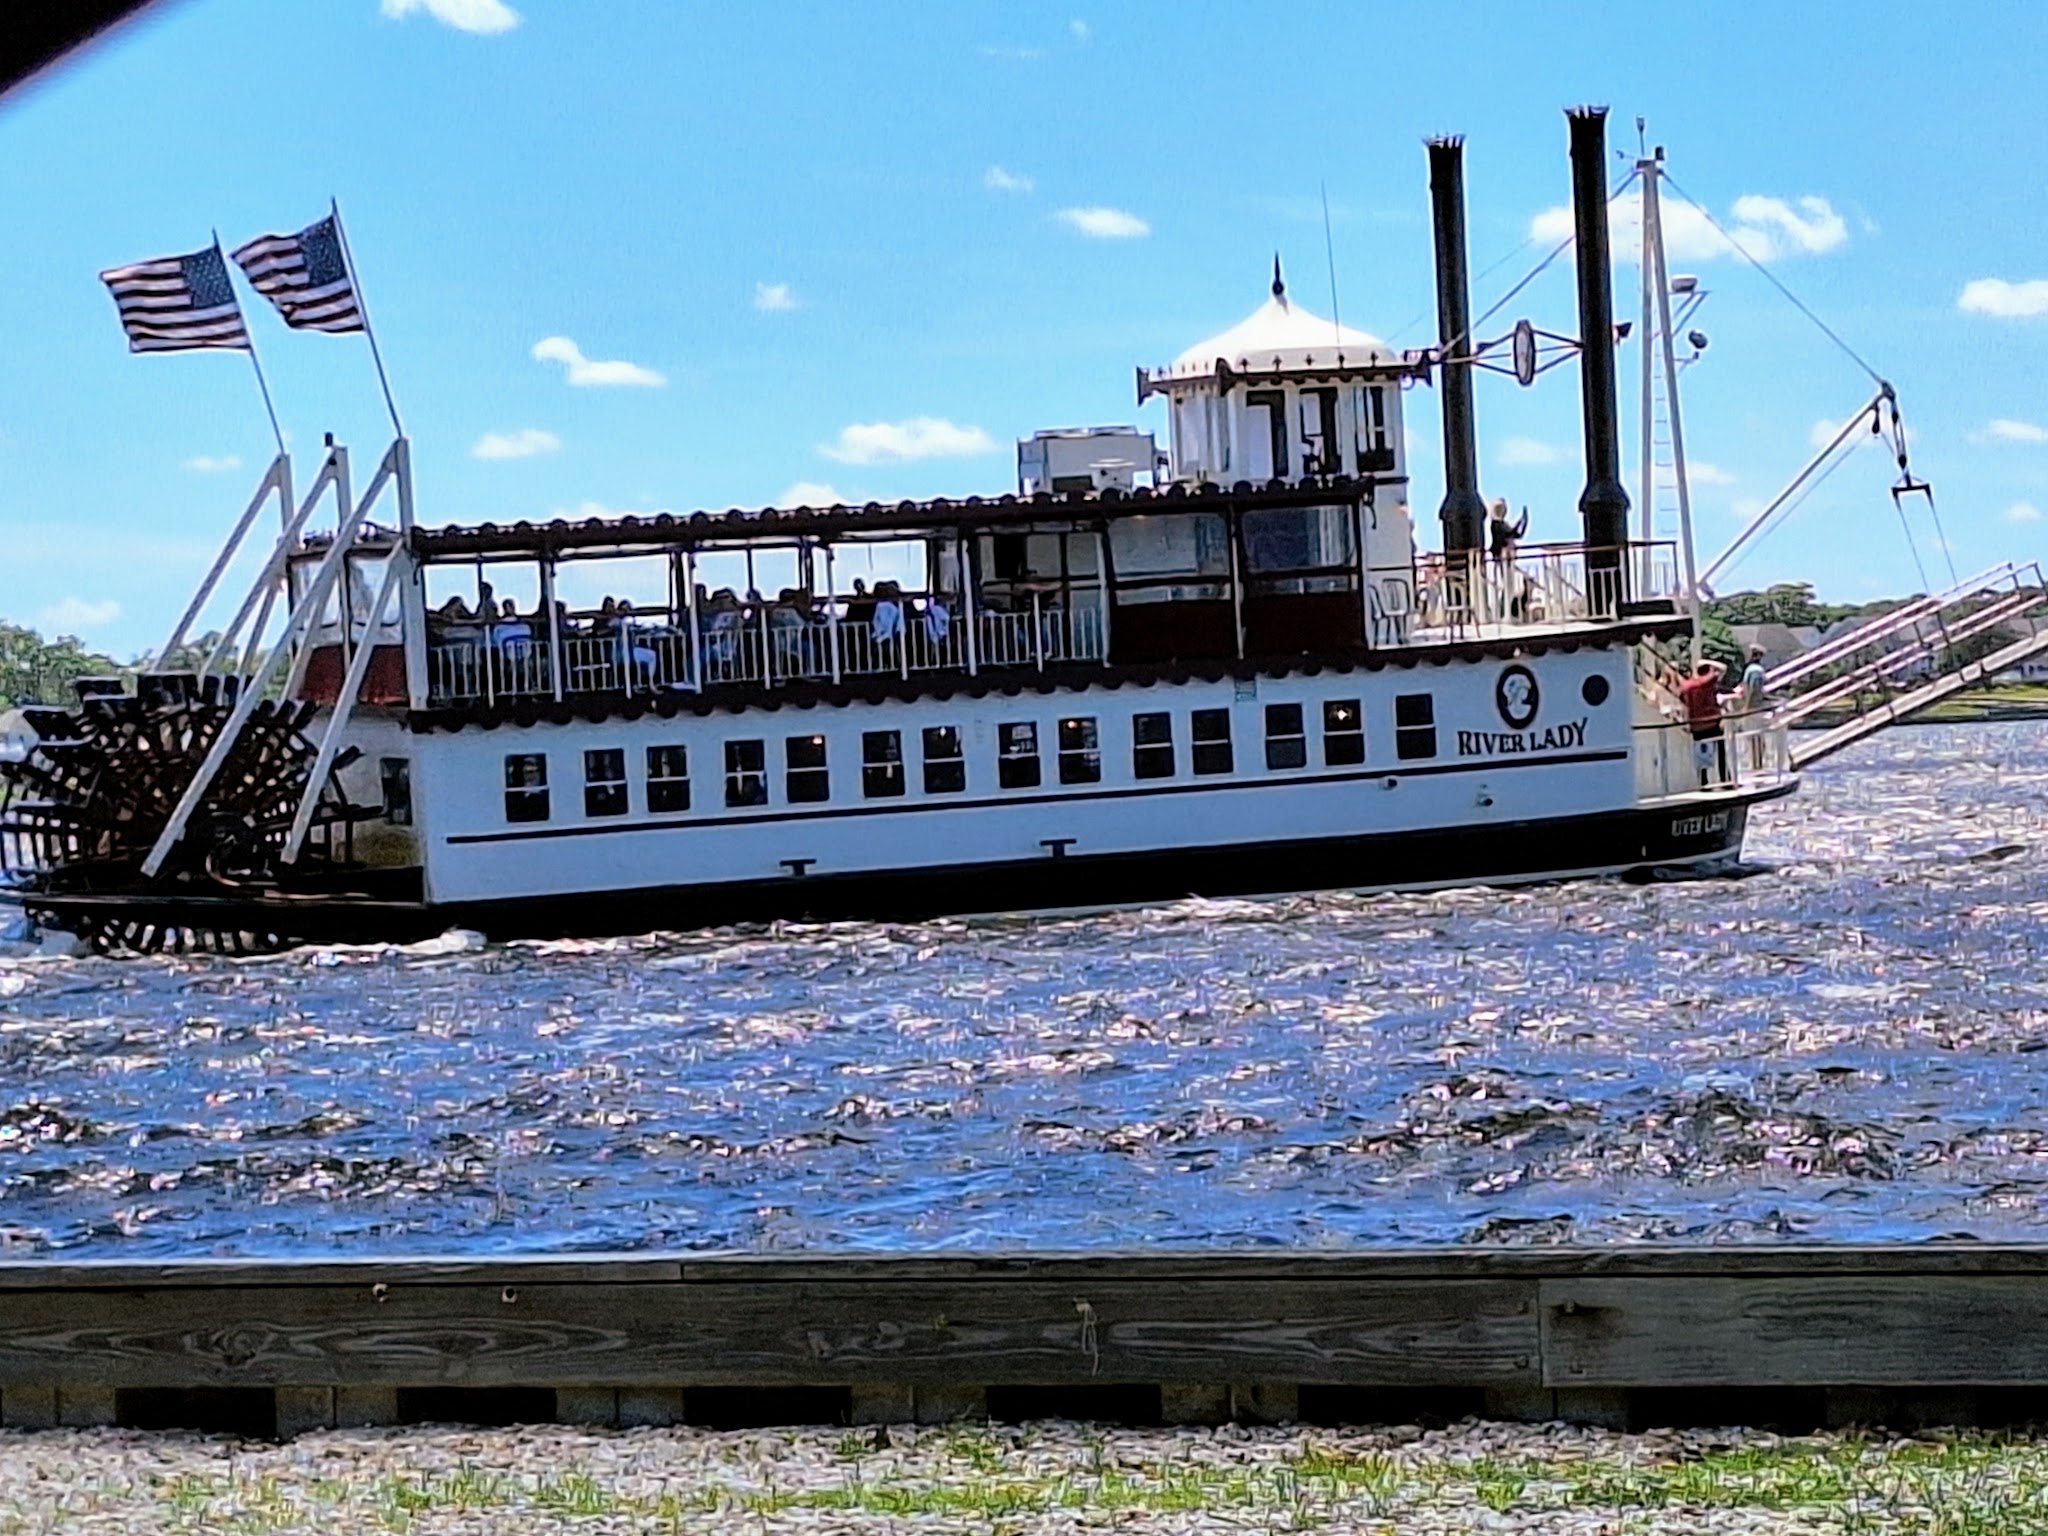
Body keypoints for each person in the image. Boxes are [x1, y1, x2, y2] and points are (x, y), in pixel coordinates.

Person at [1678, 658, 1730, 787]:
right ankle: (1724, 779)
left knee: (1701, 754)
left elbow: (1681, 698)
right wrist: (1710, 663)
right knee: (1720, 752)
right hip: (1711, 723)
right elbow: (1723, 669)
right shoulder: (1707, 682)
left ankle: (1704, 782)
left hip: (1696, 725)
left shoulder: (1687, 686)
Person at [1735, 644, 1770, 772]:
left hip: (1753, 708)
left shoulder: (1753, 670)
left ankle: (1757, 764)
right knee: (1756, 737)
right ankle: (1757, 763)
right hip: (1758, 707)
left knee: (1754, 737)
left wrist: (1747, 707)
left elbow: (1753, 689)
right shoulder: (1757, 669)